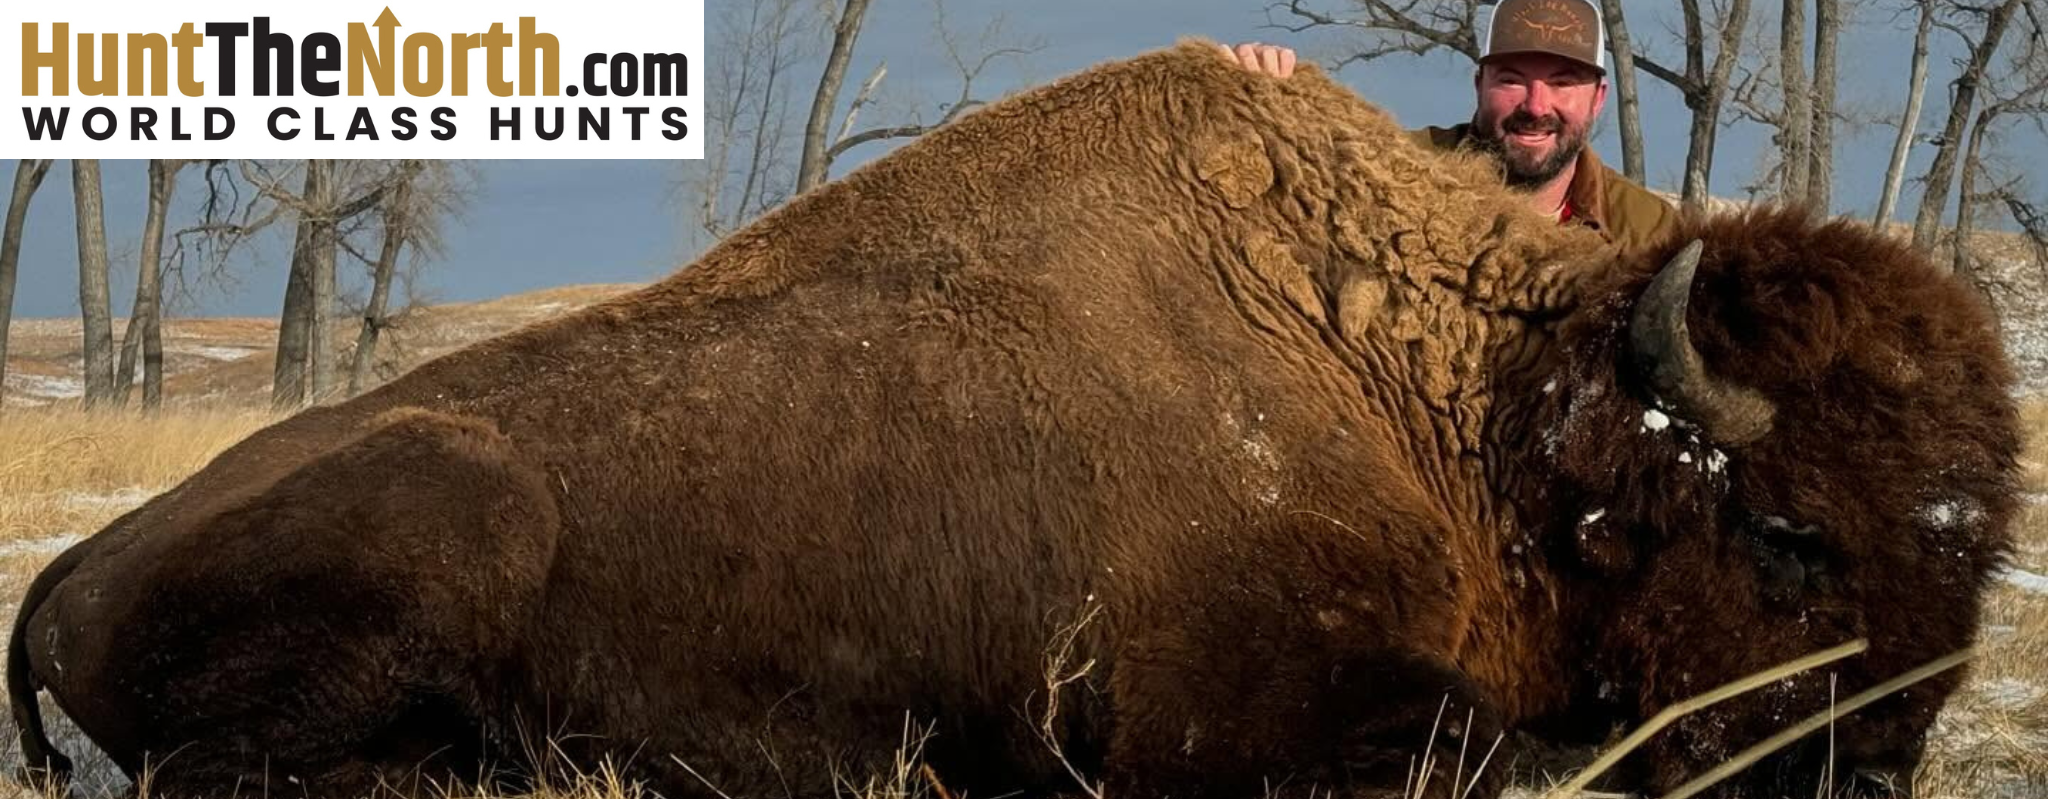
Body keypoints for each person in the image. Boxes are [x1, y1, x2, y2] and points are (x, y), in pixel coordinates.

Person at [1225, 0, 1677, 255]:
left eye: (1562, 84)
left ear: (1598, 99)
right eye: (1512, 80)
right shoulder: (1399, 167)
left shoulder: (1649, 232)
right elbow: (1304, 185)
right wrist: (1255, 109)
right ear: (1479, 85)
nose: (1536, 105)